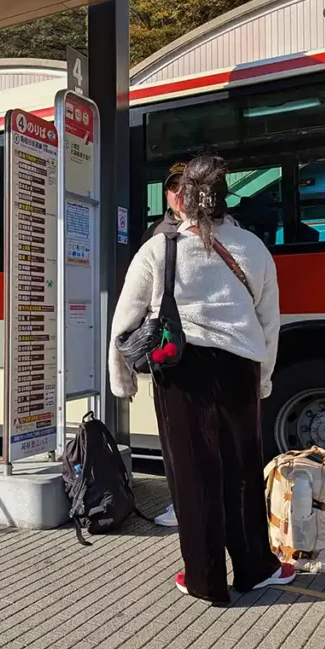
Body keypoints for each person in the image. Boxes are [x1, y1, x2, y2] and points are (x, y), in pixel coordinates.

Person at [108, 153, 295, 604]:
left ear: (180, 201)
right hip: (240, 370)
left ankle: (205, 579)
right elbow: (269, 323)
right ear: (223, 197)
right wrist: (263, 379)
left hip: (181, 371)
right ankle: (254, 568)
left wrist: (123, 383)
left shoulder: (158, 249)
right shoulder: (254, 247)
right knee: (243, 471)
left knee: (192, 475)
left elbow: (124, 323)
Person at [139, 161, 187, 528]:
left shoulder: (228, 230)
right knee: (174, 433)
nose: (179, 194)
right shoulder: (156, 234)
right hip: (171, 349)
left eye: (187, 186)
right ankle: (181, 502)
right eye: (173, 187)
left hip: (210, 346)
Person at [141, 162, 187, 246]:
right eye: (174, 187)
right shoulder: (153, 232)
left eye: (186, 186)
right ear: (166, 195)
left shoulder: (208, 225)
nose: (180, 192)